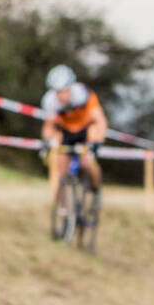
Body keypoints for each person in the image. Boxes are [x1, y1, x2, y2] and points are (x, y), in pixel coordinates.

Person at [39, 64, 108, 215]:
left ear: (71, 87)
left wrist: (97, 142)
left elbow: (100, 121)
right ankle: (63, 211)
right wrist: (46, 144)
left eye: (64, 90)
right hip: (67, 132)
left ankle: (96, 191)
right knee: (61, 169)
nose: (60, 95)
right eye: (57, 91)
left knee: (87, 163)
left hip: (86, 131)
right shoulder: (50, 101)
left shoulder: (84, 94)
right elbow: (48, 127)